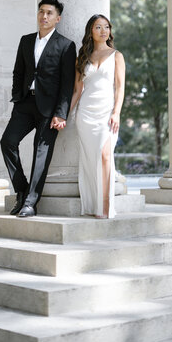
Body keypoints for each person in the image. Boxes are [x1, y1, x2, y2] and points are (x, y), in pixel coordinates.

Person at [1, 0, 76, 218]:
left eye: (49, 13)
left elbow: (67, 83)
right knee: (7, 142)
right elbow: (18, 71)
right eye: (41, 12)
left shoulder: (66, 45)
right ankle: (22, 190)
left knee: (40, 154)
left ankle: (31, 203)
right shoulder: (25, 41)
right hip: (25, 104)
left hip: (50, 109)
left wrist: (61, 113)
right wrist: (17, 96)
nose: (44, 16)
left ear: (57, 18)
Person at [70, 14, 125, 219]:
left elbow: (120, 88)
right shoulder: (82, 56)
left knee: (105, 156)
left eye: (106, 27)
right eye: (98, 27)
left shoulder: (117, 56)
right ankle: (93, 206)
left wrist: (116, 113)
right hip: (85, 114)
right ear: (90, 32)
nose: (103, 31)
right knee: (90, 160)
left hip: (106, 113)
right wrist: (64, 115)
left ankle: (106, 207)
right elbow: (77, 90)